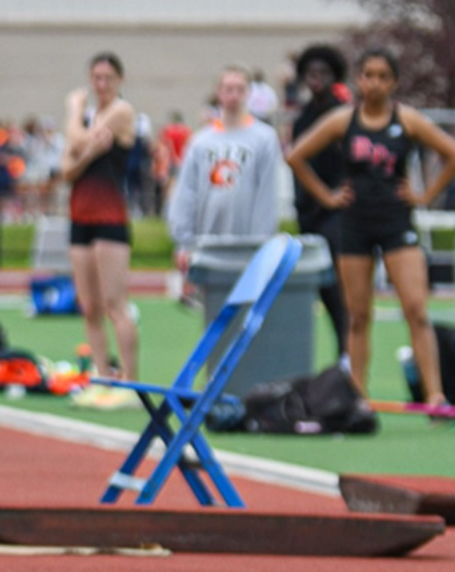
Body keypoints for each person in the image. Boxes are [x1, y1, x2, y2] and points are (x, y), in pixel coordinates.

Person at [286, 49, 455, 407]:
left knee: (416, 309)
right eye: (368, 75)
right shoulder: (343, 121)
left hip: (397, 224)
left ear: (394, 82)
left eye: (383, 76)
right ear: (358, 80)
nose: (375, 83)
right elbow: (296, 156)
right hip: (354, 226)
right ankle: (358, 396)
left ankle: (434, 395)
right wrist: (328, 196)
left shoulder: (407, 120)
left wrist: (425, 194)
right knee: (357, 315)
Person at [60, 53, 140, 393]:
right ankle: (103, 375)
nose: (101, 84)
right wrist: (90, 153)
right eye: (96, 77)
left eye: (107, 78)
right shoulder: (90, 121)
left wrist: (73, 111)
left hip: (110, 217)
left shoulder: (122, 112)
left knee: (114, 304)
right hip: (80, 216)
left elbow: (77, 141)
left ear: (119, 80)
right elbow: (67, 169)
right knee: (89, 306)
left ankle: (132, 382)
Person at [165, 65, 284, 277]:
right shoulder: (200, 141)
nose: (234, 95)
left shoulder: (264, 138)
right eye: (228, 89)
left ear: (248, 93)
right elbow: (186, 192)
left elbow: (267, 194)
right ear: (218, 93)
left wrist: (262, 241)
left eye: (240, 89)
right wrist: (183, 240)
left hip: (247, 243)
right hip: (207, 240)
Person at [287, 45, 352, 360]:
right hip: (309, 212)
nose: (317, 80)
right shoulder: (302, 118)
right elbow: (296, 162)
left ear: (334, 77)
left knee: (341, 291)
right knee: (322, 291)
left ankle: (346, 355)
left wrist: (334, 195)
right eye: (311, 74)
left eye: (323, 74)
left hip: (336, 215)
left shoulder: (343, 114)